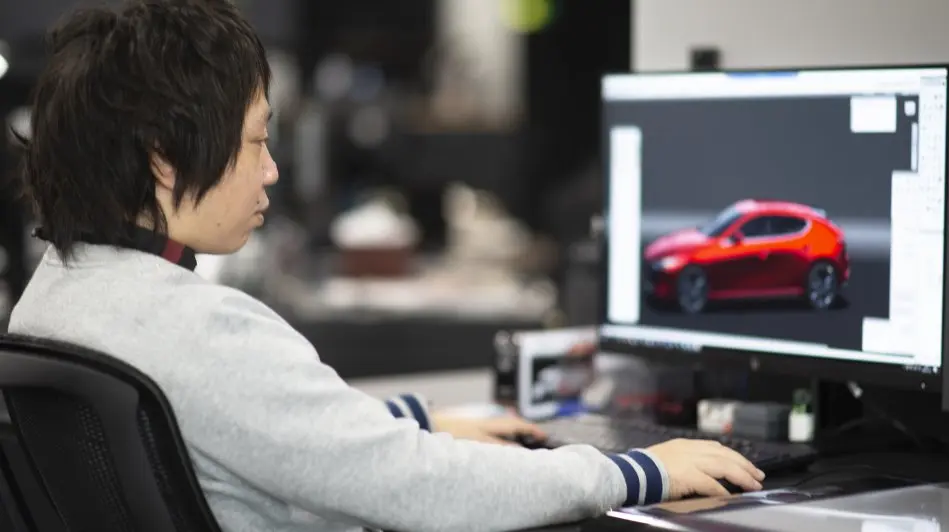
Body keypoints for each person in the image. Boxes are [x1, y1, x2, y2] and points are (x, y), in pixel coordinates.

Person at [7, 1, 765, 531]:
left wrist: (421, 420)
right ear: (166, 163)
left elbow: (240, 427)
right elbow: (421, 492)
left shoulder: (61, 294)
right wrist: (635, 472)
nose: (270, 171)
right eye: (254, 142)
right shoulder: (198, 328)